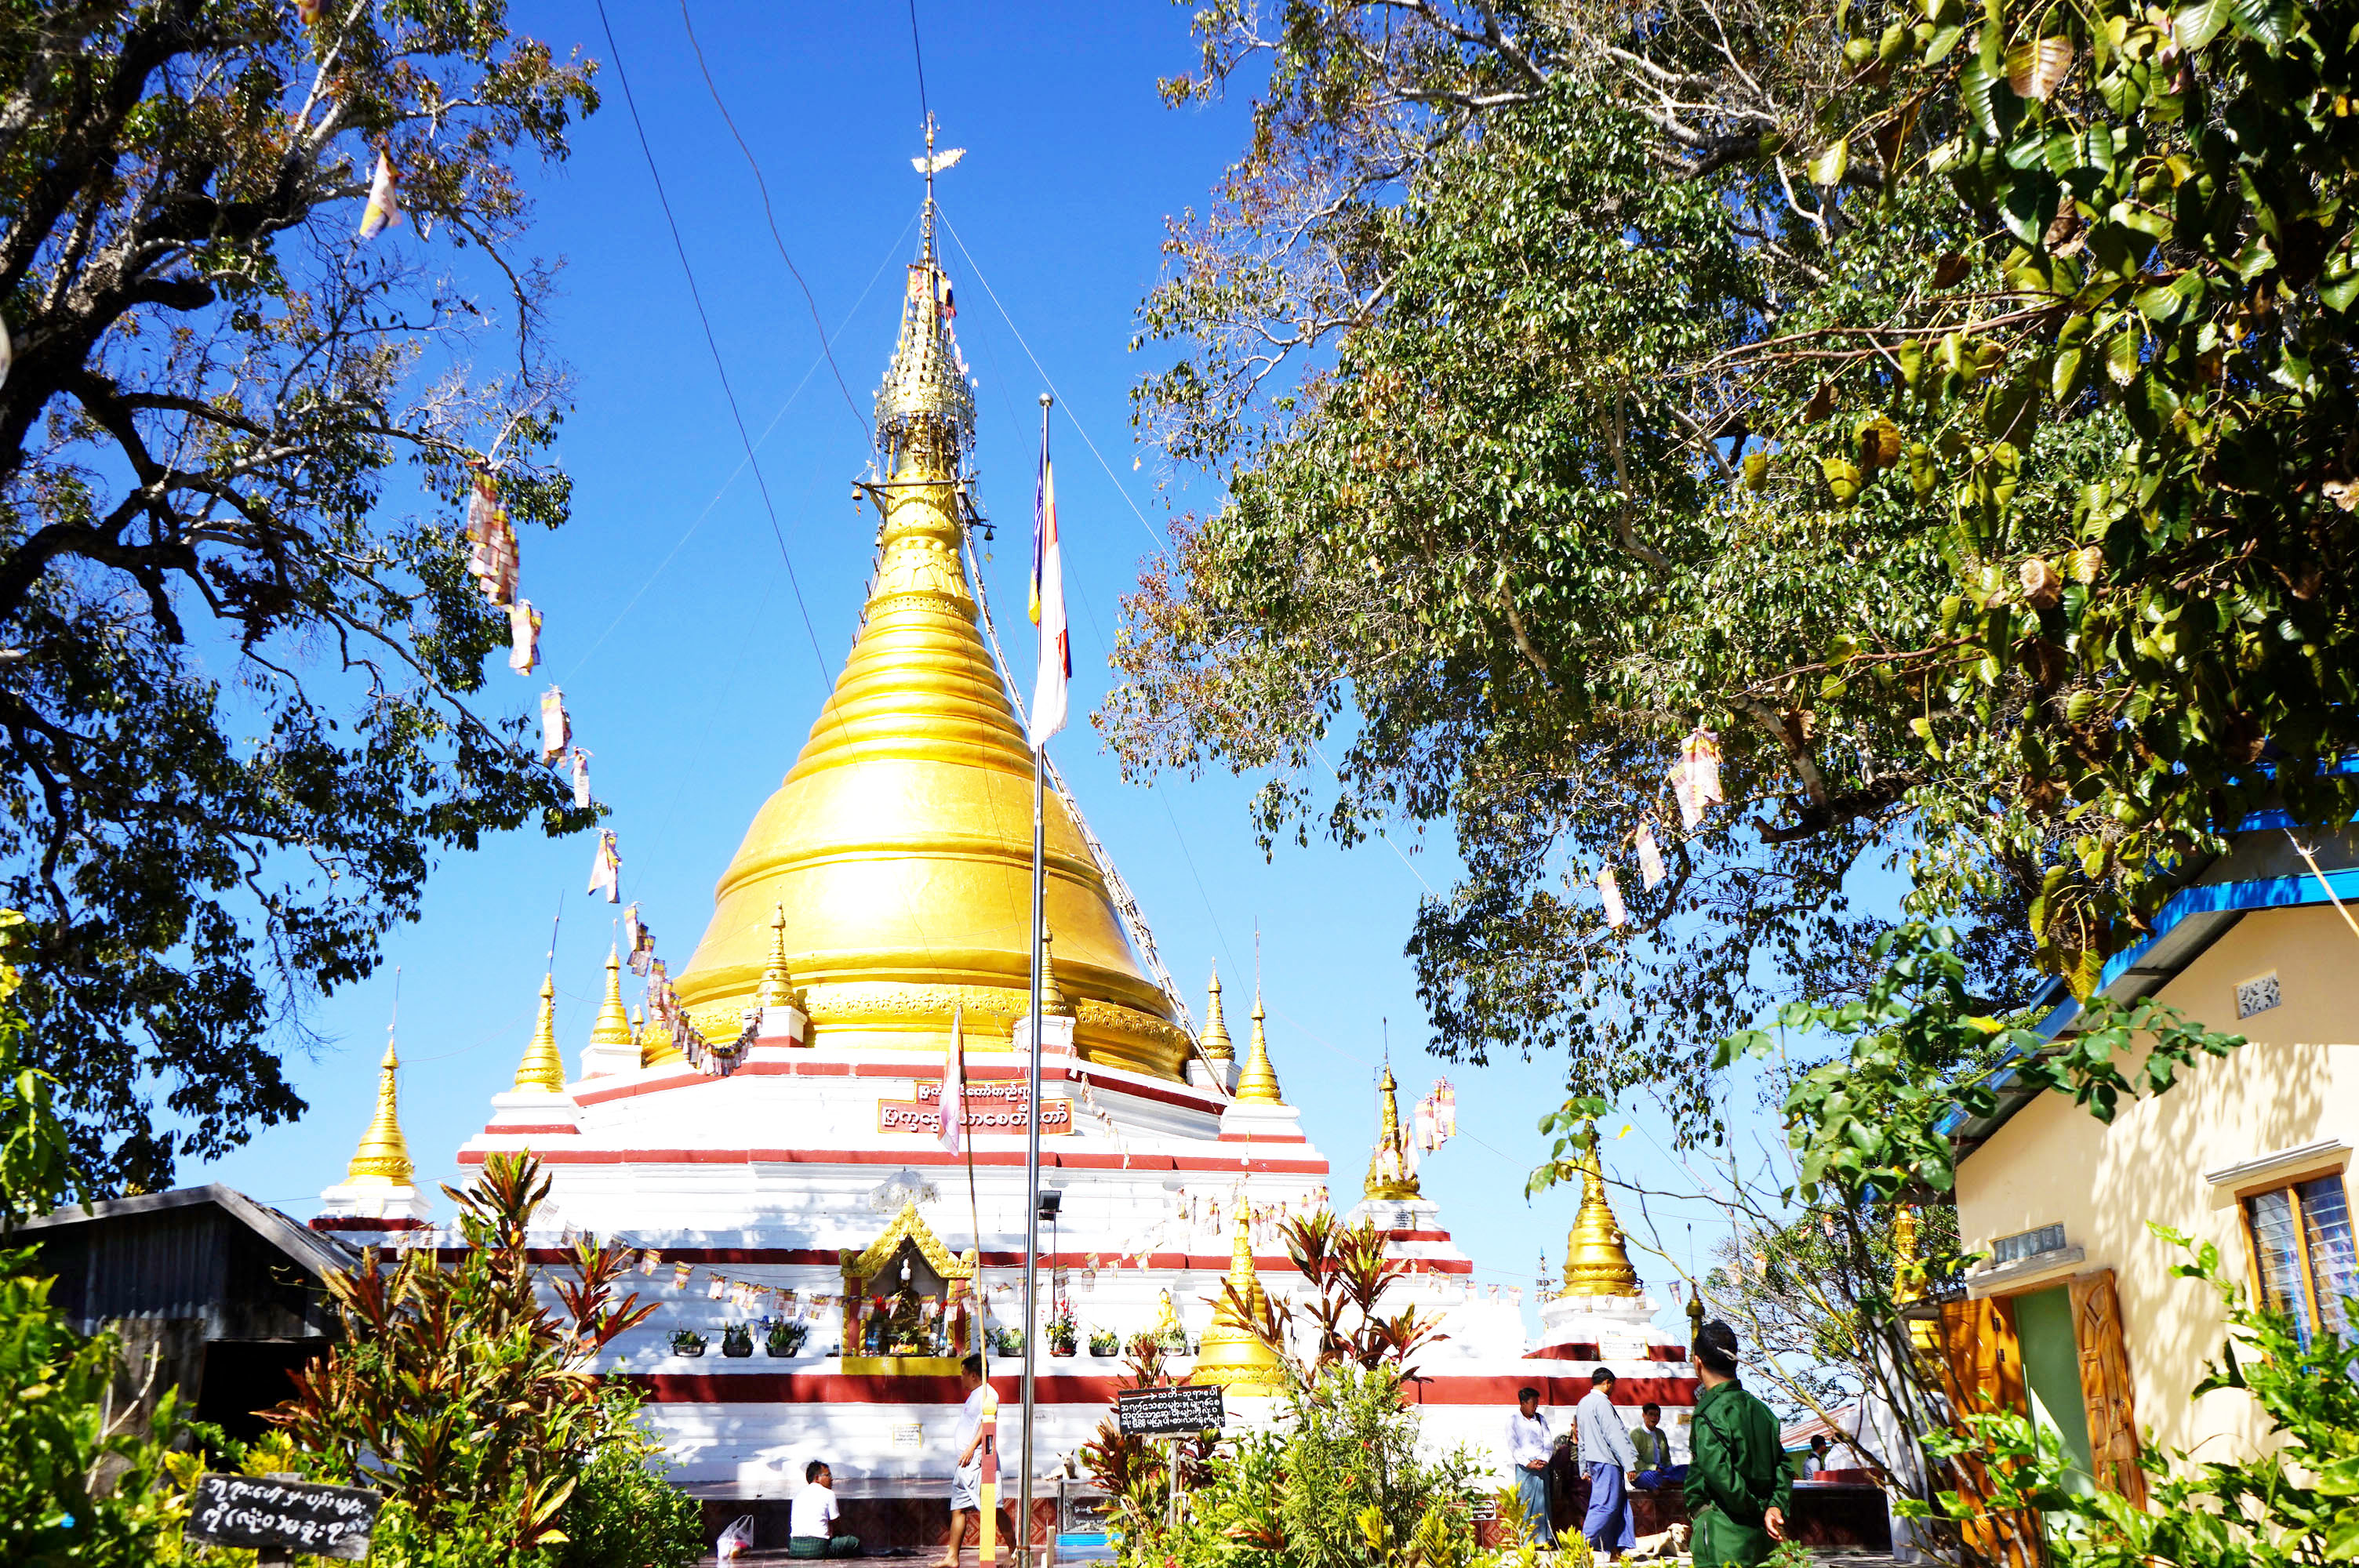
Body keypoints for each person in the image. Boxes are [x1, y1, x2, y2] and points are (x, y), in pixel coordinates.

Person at [1684, 1320, 1794, 1568]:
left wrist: (1757, 1508)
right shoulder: (1761, 1410)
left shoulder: (1708, 1414)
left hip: (1722, 1534)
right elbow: (1784, 1466)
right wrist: (1774, 1506)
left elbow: (1721, 1477)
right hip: (1763, 1535)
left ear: (1698, 1362)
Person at [942, 1353, 1016, 1566]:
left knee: (994, 1509)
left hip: (978, 1460)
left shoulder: (988, 1394)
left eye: (964, 1374)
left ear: (974, 1375)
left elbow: (987, 1425)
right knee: (958, 1509)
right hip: (964, 1464)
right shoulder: (974, 1395)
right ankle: (952, 1557)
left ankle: (1015, 1552)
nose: (961, 1378)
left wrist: (971, 1448)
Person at [1574, 1367, 1637, 1555]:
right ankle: (1581, 1546)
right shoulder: (1602, 1403)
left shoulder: (1583, 1403)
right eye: (1613, 1386)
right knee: (1605, 1505)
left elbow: (1581, 1438)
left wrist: (1583, 1467)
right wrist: (1629, 1464)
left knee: (1620, 1504)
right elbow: (1614, 1436)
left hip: (1594, 1461)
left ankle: (1620, 1547)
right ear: (1608, 1383)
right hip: (1607, 1461)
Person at [1505, 1385, 1554, 1537]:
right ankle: (1527, 1539)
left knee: (1543, 1503)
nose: (1536, 1407)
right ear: (1523, 1403)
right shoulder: (1513, 1421)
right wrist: (1528, 1463)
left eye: (1537, 1403)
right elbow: (1513, 1445)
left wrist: (1544, 1459)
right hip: (1525, 1468)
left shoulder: (1540, 1419)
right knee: (1526, 1503)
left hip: (1541, 1465)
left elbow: (1548, 1442)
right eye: (1533, 1403)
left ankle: (1544, 1539)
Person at [791, 1461, 860, 1558]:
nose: (831, 1479)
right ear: (817, 1478)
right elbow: (836, 1524)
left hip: (795, 1548)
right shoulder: (828, 1494)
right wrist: (838, 1537)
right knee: (853, 1542)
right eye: (828, 1475)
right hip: (818, 1547)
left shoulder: (798, 1495)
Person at [1633, 1402, 1688, 1490]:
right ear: (1644, 1415)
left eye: (1657, 1415)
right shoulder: (1636, 1434)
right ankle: (1672, 1485)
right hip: (1643, 1473)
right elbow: (1633, 1461)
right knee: (1654, 1477)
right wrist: (1654, 1468)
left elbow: (1667, 1459)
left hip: (1662, 1470)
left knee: (1688, 1469)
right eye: (1651, 1414)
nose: (1654, 1418)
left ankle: (1666, 1484)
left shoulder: (1660, 1433)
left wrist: (1670, 1470)